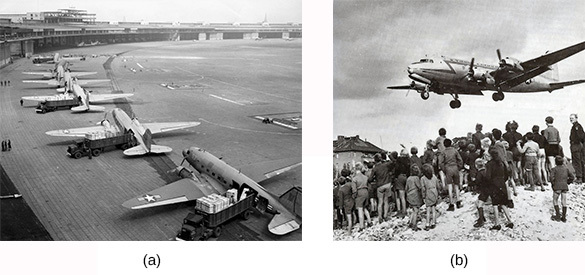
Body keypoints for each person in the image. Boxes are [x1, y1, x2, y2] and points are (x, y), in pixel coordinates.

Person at [486, 148, 514, 230]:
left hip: (494, 184)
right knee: (503, 203)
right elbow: (506, 175)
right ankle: (509, 221)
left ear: (490, 155)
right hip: (502, 183)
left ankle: (497, 223)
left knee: (495, 204)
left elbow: (488, 177)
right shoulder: (501, 162)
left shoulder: (489, 164)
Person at [439, 138, 463, 211]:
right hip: (455, 167)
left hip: (448, 168)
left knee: (449, 186)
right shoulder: (455, 150)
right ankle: (458, 201)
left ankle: (451, 204)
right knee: (456, 185)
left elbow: (440, 163)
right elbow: (460, 160)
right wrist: (458, 167)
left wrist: (444, 169)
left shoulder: (443, 152)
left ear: (444, 145)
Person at [368, 153, 393, 221]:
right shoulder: (386, 165)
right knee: (386, 201)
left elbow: (370, 179)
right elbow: (392, 161)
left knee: (380, 202)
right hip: (387, 184)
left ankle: (380, 217)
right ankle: (385, 215)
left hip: (380, 185)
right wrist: (389, 155)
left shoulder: (375, 168)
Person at [550, 156, 574, 222]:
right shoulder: (566, 169)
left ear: (555, 162)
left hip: (557, 186)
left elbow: (551, 178)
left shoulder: (554, 169)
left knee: (555, 200)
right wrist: (568, 182)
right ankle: (563, 217)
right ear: (562, 162)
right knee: (564, 201)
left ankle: (557, 216)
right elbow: (572, 177)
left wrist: (553, 184)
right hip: (564, 186)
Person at [352, 163, 372, 230]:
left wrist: (354, 197)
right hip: (366, 191)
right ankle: (369, 221)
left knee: (360, 209)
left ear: (355, 169)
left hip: (359, 192)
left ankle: (361, 226)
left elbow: (354, 190)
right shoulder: (365, 177)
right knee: (364, 207)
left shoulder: (354, 178)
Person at [421, 164, 439, 230]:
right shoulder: (434, 176)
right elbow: (438, 185)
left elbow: (423, 189)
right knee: (434, 209)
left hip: (428, 193)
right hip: (434, 192)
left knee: (428, 210)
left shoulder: (423, 178)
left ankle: (427, 224)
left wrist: (423, 197)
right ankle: (433, 223)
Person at [405, 165, 423, 231]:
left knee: (413, 210)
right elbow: (419, 187)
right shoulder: (416, 178)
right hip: (415, 195)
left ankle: (411, 222)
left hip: (409, 195)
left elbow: (406, 188)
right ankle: (414, 225)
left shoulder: (409, 178)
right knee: (416, 210)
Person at [394, 149, 410, 217]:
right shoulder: (408, 160)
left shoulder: (399, 160)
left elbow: (397, 169)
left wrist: (396, 176)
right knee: (405, 195)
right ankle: (405, 209)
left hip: (400, 177)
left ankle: (403, 211)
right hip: (406, 176)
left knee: (401, 196)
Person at [569, 114, 585, 184]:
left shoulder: (576, 126)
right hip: (579, 145)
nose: (571, 119)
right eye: (570, 118)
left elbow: (580, 136)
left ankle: (579, 177)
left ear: (576, 118)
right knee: (580, 161)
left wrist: (575, 142)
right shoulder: (577, 126)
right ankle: (582, 177)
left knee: (576, 161)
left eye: (572, 118)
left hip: (576, 145)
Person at [473, 158, 489, 227]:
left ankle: (481, 220)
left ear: (476, 166)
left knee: (479, 204)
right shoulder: (486, 171)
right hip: (488, 189)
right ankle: (482, 217)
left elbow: (477, 182)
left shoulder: (479, 173)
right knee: (478, 202)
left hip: (484, 191)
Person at [338, 169, 355, 234]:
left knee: (349, 218)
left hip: (346, 203)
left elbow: (341, 200)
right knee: (352, 215)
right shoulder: (348, 186)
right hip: (352, 201)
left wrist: (340, 209)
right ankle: (352, 226)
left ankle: (349, 232)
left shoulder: (341, 190)